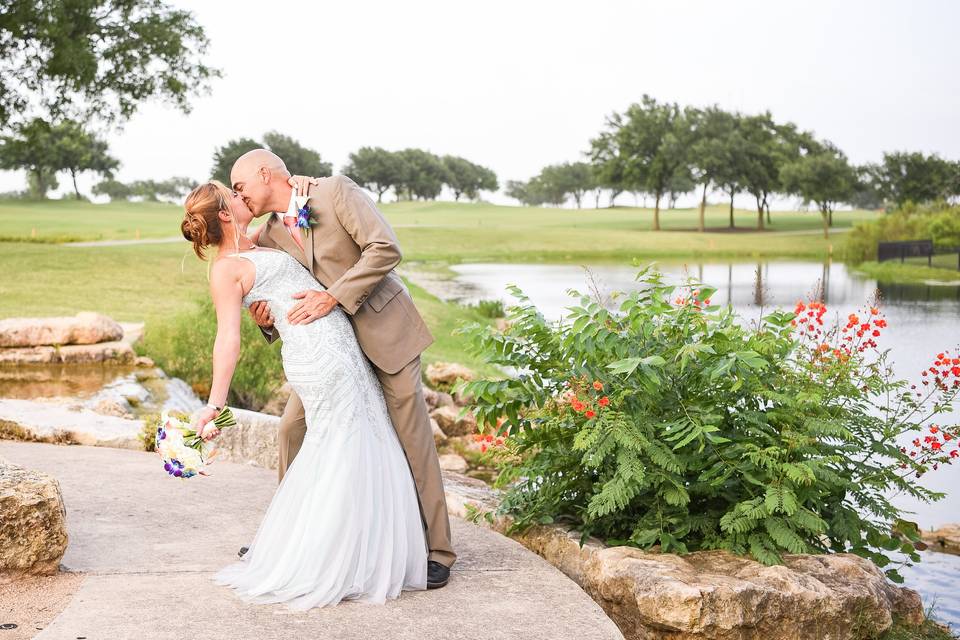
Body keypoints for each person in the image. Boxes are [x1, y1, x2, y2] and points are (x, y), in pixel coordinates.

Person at [182, 181, 426, 608]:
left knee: (358, 440)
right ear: (224, 214)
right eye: (234, 196)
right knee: (339, 446)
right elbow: (228, 340)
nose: (244, 200)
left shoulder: (258, 242)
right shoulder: (224, 269)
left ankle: (357, 547)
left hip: (341, 349)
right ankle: (330, 557)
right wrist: (215, 405)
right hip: (317, 359)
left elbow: (296, 258)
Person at [228, 149, 455, 588]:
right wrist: (266, 320)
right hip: (333, 352)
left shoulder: (334, 192)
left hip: (387, 332)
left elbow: (385, 248)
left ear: (264, 173)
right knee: (291, 428)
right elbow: (286, 291)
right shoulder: (270, 236)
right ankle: (289, 541)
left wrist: (332, 296)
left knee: (412, 438)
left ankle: (438, 550)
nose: (241, 196)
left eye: (241, 187)